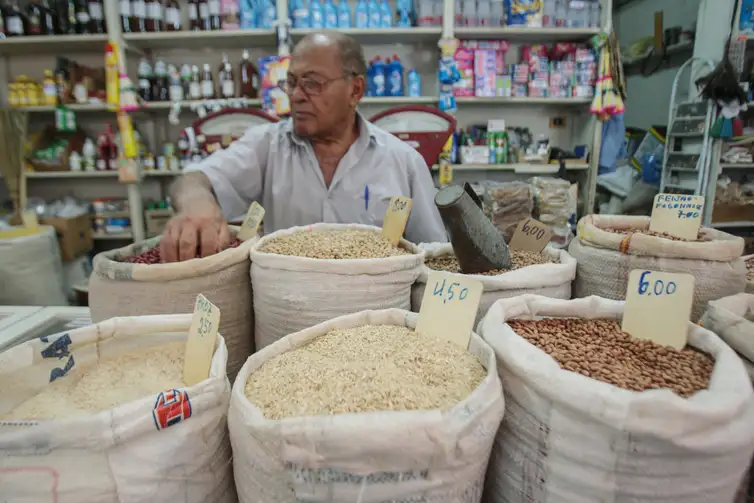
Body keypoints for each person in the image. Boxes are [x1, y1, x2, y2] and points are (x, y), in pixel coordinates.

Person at [160, 31, 447, 262]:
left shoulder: (403, 162)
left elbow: (435, 255)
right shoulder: (268, 146)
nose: (296, 96)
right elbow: (194, 179)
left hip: (376, 318)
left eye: (313, 83)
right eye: (292, 82)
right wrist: (197, 204)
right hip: (286, 316)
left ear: (355, 90)